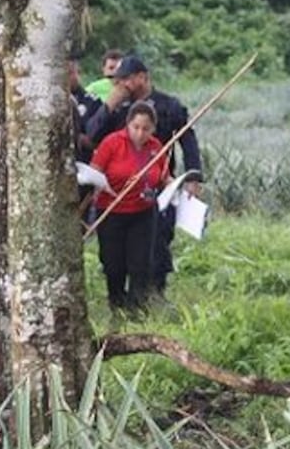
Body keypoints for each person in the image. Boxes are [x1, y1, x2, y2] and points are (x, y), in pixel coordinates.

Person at [86, 54, 203, 294]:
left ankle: (153, 295)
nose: (121, 86)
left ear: (142, 77)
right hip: (118, 194)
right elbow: (92, 135)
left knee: (157, 245)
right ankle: (120, 299)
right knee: (116, 253)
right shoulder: (117, 107)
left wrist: (192, 177)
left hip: (159, 188)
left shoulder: (168, 106)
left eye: (126, 80)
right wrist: (109, 105)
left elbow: (188, 140)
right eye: (118, 81)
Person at [90, 102, 169, 315]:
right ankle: (116, 304)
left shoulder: (156, 147)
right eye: (136, 127)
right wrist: (98, 186)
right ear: (128, 124)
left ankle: (136, 309)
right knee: (113, 263)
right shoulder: (112, 143)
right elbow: (95, 170)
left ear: (153, 128)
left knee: (140, 263)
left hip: (143, 213)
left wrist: (174, 184)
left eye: (146, 128)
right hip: (112, 211)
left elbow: (162, 177)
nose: (140, 133)